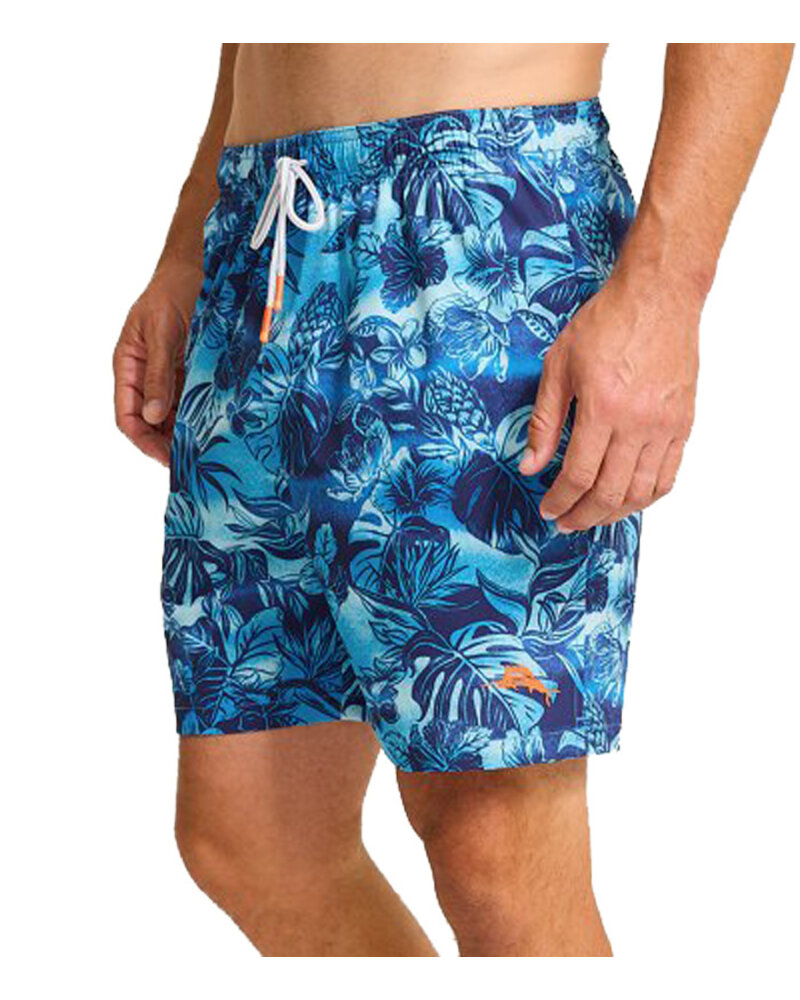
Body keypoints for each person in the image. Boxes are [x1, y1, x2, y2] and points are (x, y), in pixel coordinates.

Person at [113, 43, 793, 957]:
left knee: (494, 847)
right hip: (263, 241)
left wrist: (667, 291)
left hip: (477, 226)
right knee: (253, 835)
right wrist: (188, 240)